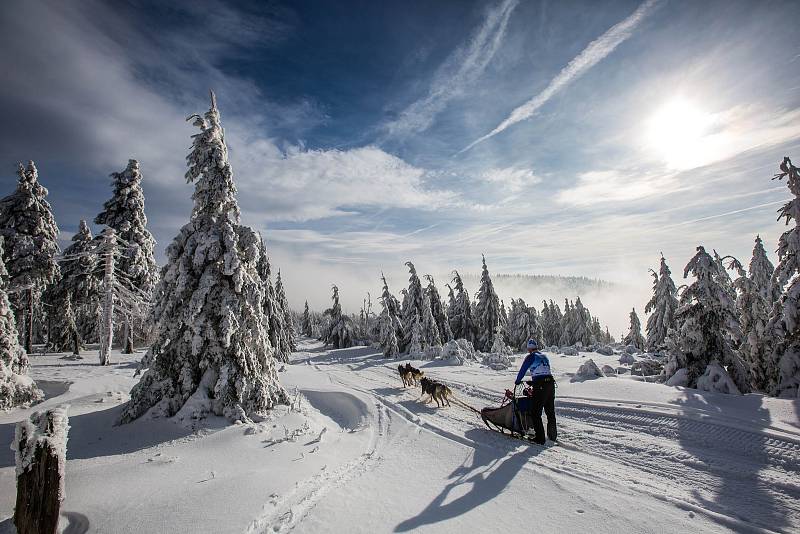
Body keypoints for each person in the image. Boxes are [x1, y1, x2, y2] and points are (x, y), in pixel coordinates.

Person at [514, 339, 557, 444]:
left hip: (541, 386)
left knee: (535, 413)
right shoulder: (544, 356)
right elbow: (543, 372)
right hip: (550, 384)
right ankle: (552, 436)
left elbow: (523, 370)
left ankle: (540, 438)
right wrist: (533, 383)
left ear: (529, 348)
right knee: (550, 412)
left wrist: (517, 381)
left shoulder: (531, 357)